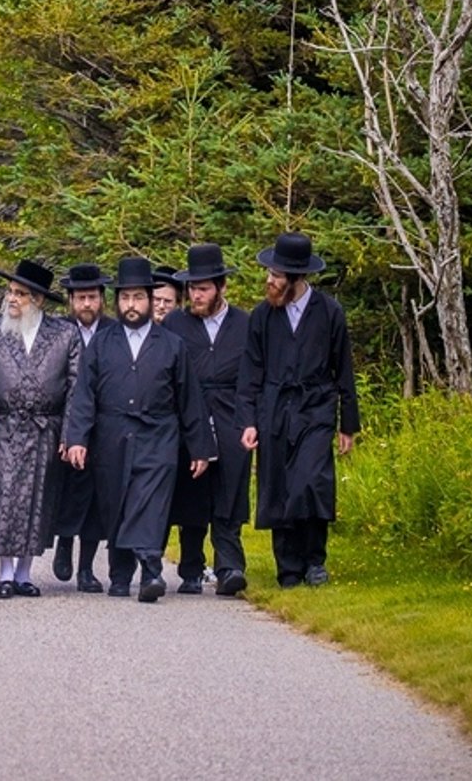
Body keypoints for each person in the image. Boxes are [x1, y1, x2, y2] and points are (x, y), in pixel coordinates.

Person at [65, 255, 213, 603]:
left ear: (150, 299)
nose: (131, 306)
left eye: (138, 298)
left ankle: (150, 569)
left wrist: (200, 447)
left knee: (148, 501)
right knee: (116, 502)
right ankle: (119, 575)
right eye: (126, 298)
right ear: (117, 302)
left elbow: (189, 399)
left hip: (159, 434)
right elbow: (84, 394)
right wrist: (77, 438)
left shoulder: (171, 344)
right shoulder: (102, 343)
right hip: (111, 435)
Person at [238, 231, 360, 589]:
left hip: (316, 407)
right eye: (270, 274)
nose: (269, 281)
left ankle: (314, 561)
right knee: (277, 485)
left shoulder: (329, 312)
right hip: (273, 409)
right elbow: (250, 373)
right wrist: (248, 420)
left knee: (309, 483)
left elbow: (344, 369)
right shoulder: (262, 316)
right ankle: (288, 568)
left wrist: (347, 424)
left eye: (276, 275)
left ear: (296, 278)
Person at [0, 260, 80, 598]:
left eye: (21, 294)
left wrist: (70, 434)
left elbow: (77, 387)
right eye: (10, 292)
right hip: (4, 427)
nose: (12, 299)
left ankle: (24, 573)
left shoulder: (65, 333)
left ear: (39, 300)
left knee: (38, 499)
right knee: (4, 497)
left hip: (46, 427)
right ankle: (3, 573)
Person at [165, 244, 252, 596]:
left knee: (230, 493)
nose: (195, 295)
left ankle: (230, 566)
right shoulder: (176, 323)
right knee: (191, 493)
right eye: (192, 288)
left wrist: (250, 420)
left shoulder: (245, 324)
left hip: (233, 416)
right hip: (190, 415)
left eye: (203, 288)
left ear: (221, 288)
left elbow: (253, 377)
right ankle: (190, 567)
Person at [51, 263, 111, 591]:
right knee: (69, 492)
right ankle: (64, 543)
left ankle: (87, 567)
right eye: (80, 298)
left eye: (92, 297)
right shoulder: (59, 332)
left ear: (102, 298)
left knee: (96, 499)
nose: (86, 304)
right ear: (70, 300)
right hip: (65, 425)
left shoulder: (114, 331)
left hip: (105, 427)